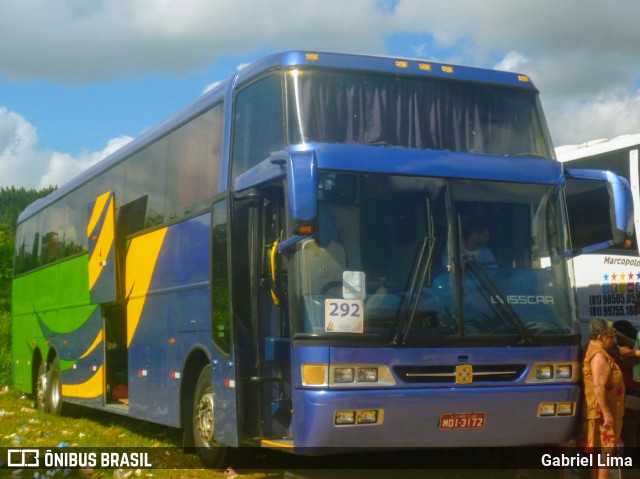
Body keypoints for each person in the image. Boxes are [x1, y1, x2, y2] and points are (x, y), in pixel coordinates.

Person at [578, 318, 625, 479]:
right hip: (602, 414)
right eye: (610, 337)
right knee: (605, 453)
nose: (612, 340)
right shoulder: (598, 356)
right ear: (600, 337)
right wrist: (607, 413)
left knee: (598, 454)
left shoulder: (593, 350)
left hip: (599, 411)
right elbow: (598, 386)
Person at [612, 320, 640, 452]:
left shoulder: (623, 354)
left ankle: (630, 465)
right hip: (634, 397)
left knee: (628, 434)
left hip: (629, 397)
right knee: (632, 433)